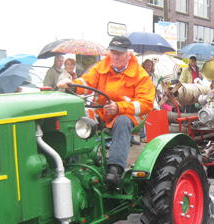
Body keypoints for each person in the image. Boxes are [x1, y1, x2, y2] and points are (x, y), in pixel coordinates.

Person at [57, 36, 155, 188]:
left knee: (122, 121)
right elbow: (86, 81)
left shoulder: (140, 75)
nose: (115, 56)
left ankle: (115, 169)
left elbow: (146, 103)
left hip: (128, 115)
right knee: (80, 116)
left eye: (119, 53)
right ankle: (71, 161)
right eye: (113, 52)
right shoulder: (102, 67)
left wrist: (119, 107)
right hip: (104, 112)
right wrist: (71, 85)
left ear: (129, 55)